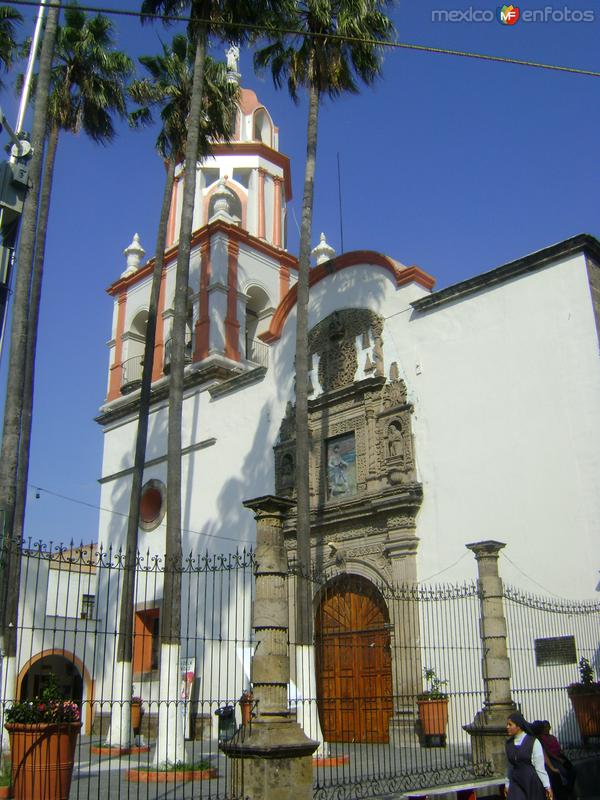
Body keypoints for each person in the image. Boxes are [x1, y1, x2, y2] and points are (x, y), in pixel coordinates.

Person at [505, 712, 553, 799]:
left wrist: (547, 786)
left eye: (510, 724)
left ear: (518, 726)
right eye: (507, 724)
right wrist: (507, 783)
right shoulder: (509, 744)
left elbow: (540, 767)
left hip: (531, 782)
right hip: (516, 782)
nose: (507, 727)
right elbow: (510, 766)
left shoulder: (533, 742)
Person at [530, 720, 575, 800]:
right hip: (548, 761)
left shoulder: (548, 738)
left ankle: (568, 791)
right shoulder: (538, 740)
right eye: (544, 728)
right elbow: (546, 753)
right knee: (556, 777)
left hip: (554, 759)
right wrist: (552, 766)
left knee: (571, 770)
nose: (546, 729)